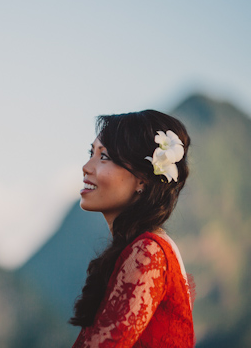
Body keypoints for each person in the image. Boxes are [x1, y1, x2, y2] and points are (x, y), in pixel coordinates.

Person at [71, 110, 195, 347]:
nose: (87, 167)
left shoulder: (148, 252)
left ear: (142, 179)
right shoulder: (139, 250)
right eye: (91, 153)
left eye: (104, 156)